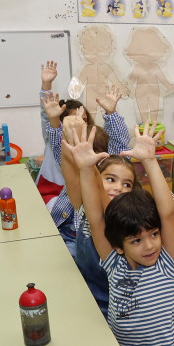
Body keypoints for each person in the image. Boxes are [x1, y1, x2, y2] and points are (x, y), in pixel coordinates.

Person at [66, 121, 174, 346]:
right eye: (136, 240)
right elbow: (94, 216)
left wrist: (150, 160)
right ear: (118, 245)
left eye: (154, 234)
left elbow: (167, 212)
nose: (149, 246)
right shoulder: (114, 263)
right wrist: (84, 169)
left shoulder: (168, 264)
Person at [60, 110, 139, 317]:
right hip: (84, 293)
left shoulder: (123, 219)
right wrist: (68, 139)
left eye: (126, 184)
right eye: (110, 179)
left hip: (112, 307)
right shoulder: (85, 208)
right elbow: (69, 171)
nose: (118, 188)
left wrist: (88, 166)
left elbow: (105, 205)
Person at [40, 83, 131, 256]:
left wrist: (111, 113)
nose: (88, 157)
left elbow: (120, 144)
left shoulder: (112, 167)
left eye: (93, 152)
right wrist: (54, 121)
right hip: (69, 231)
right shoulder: (74, 167)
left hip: (95, 240)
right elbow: (61, 146)